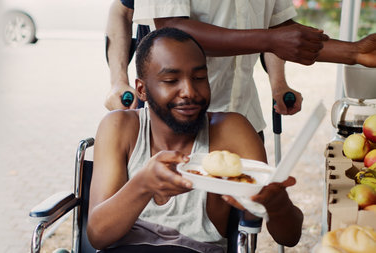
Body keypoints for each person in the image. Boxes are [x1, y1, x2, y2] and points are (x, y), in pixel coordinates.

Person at [87, 27, 303, 252]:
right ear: (141, 89)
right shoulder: (120, 127)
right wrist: (143, 184)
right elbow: (98, 236)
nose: (189, 91)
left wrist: (278, 207)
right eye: (171, 80)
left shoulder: (232, 132)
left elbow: (290, 237)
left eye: (199, 78)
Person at [132, 0, 376, 138]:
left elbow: (283, 31)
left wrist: (354, 52)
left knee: (247, 223)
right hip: (179, 122)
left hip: (244, 119)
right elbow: (173, 29)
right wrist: (270, 40)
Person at [104, 0, 303, 120]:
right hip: (174, 113)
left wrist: (278, 83)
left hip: (244, 112)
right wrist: (118, 81)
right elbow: (123, 10)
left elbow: (276, 28)